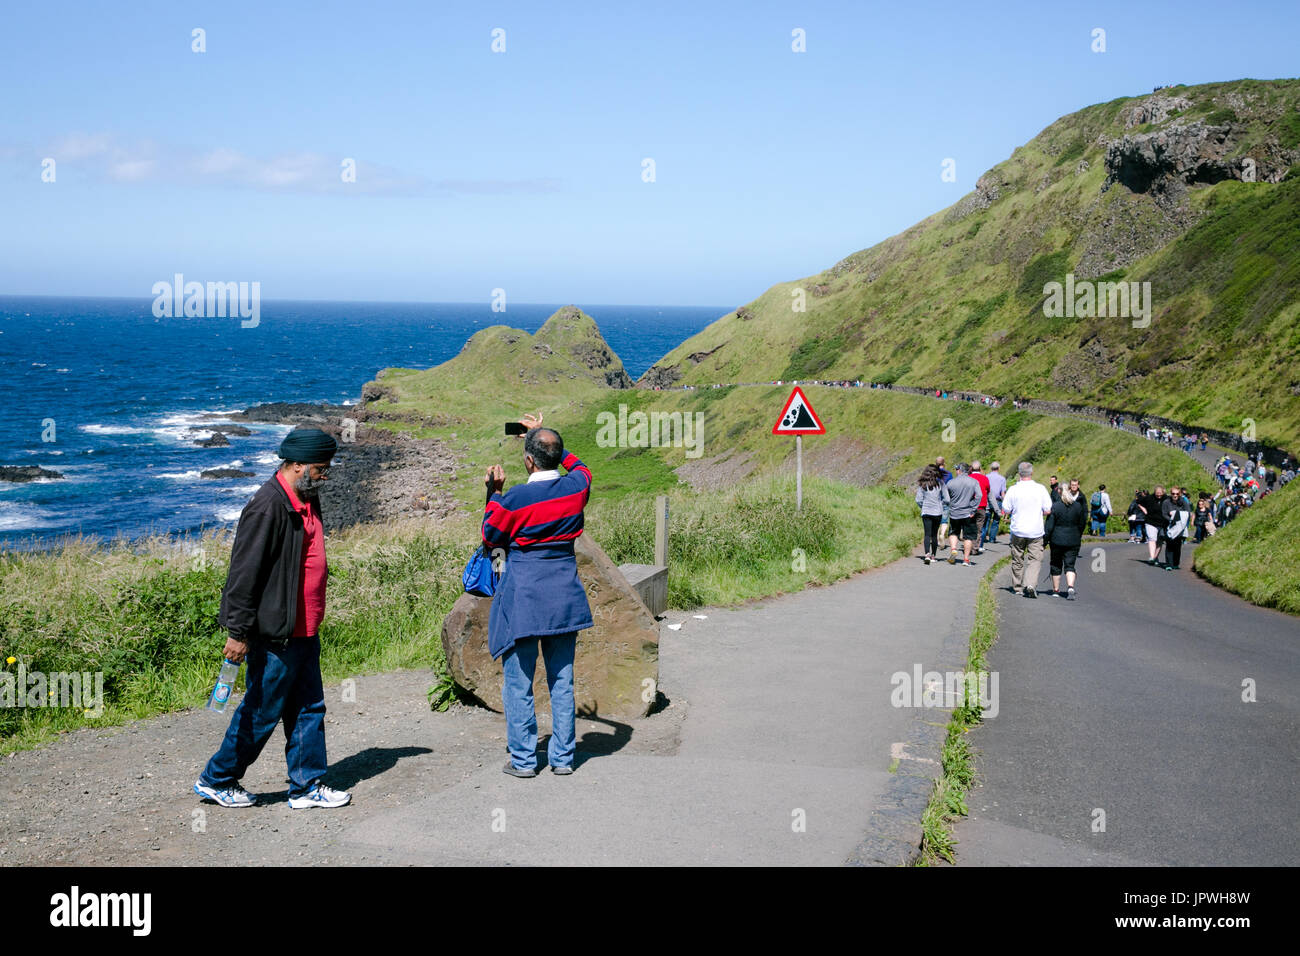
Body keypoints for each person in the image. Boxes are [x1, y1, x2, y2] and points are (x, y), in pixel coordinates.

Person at [195, 427, 351, 810]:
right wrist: (238, 632)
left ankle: (306, 786)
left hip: (304, 628)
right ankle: (217, 779)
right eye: (320, 468)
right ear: (297, 466)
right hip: (275, 633)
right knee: (263, 710)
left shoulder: (305, 496)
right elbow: (243, 575)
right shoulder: (267, 506)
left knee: (309, 707)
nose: (325, 474)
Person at [483, 420, 594, 777]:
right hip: (564, 595)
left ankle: (524, 760)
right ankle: (563, 760)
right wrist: (549, 436)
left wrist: (494, 494)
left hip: (525, 598)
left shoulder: (515, 497)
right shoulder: (575, 489)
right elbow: (582, 468)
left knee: (519, 683)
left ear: (529, 461)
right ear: (557, 458)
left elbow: (491, 536)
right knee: (562, 681)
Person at [1002, 461, 1053, 599]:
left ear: (1019, 474)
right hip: (1035, 530)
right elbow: (1048, 510)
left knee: (1017, 558)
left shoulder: (1013, 489)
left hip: (1018, 530)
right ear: (1032, 473)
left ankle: (1017, 586)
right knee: (1035, 559)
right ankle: (1030, 584)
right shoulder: (1041, 489)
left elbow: (1006, 509)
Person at [1045, 481, 1088, 599]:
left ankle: (1056, 590)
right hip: (1073, 539)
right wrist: (1078, 534)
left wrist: (1045, 541)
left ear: (1059, 492)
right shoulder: (1078, 506)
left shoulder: (1055, 507)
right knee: (1070, 565)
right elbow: (1082, 523)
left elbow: (1049, 526)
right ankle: (1070, 587)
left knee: (1056, 564)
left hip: (1057, 539)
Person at [945, 463, 981, 566]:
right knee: (968, 537)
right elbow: (979, 495)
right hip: (968, 513)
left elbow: (947, 498)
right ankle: (966, 559)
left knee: (953, 533)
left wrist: (951, 505)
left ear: (960, 470)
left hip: (954, 513)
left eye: (956, 469)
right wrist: (973, 508)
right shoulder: (974, 482)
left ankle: (953, 549)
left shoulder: (951, 483)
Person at [914, 464, 950, 565]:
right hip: (937, 512)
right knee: (934, 535)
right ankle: (933, 556)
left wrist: (924, 506)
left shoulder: (922, 484)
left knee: (927, 534)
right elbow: (947, 499)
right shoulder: (941, 483)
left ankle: (927, 555)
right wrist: (941, 505)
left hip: (926, 512)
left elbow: (918, 500)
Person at [1137, 485, 1168, 566]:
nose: (1159, 495)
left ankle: (1155, 557)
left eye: (1160, 493)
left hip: (1162, 523)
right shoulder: (1149, 498)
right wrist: (1145, 510)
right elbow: (1138, 501)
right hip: (1150, 522)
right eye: (1157, 493)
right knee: (1152, 538)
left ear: (1163, 492)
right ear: (1154, 492)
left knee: (1159, 541)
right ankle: (1151, 557)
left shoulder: (1167, 499)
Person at [1161, 488, 1190, 570]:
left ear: (1179, 494)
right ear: (1171, 494)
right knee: (1169, 545)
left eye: (1177, 494)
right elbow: (1164, 514)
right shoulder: (1166, 502)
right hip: (1169, 526)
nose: (1175, 495)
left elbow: (1187, 512)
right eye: (1173, 494)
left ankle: (1175, 563)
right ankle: (1169, 564)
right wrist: (1171, 519)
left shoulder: (1183, 502)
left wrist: (1179, 518)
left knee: (1177, 545)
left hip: (1180, 527)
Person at [981, 461, 1007, 547]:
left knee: (986, 519)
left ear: (991, 468)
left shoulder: (986, 477)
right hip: (998, 501)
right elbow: (1003, 493)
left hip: (987, 500)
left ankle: (983, 537)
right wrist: (1004, 504)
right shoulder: (1002, 479)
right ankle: (992, 538)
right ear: (998, 468)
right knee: (996, 520)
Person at [969, 460, 991, 555]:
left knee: (969, 527)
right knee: (979, 528)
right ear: (980, 468)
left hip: (970, 506)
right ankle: (975, 547)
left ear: (971, 468)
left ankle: (968, 546)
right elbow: (988, 490)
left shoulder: (968, 477)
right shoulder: (985, 478)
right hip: (981, 506)